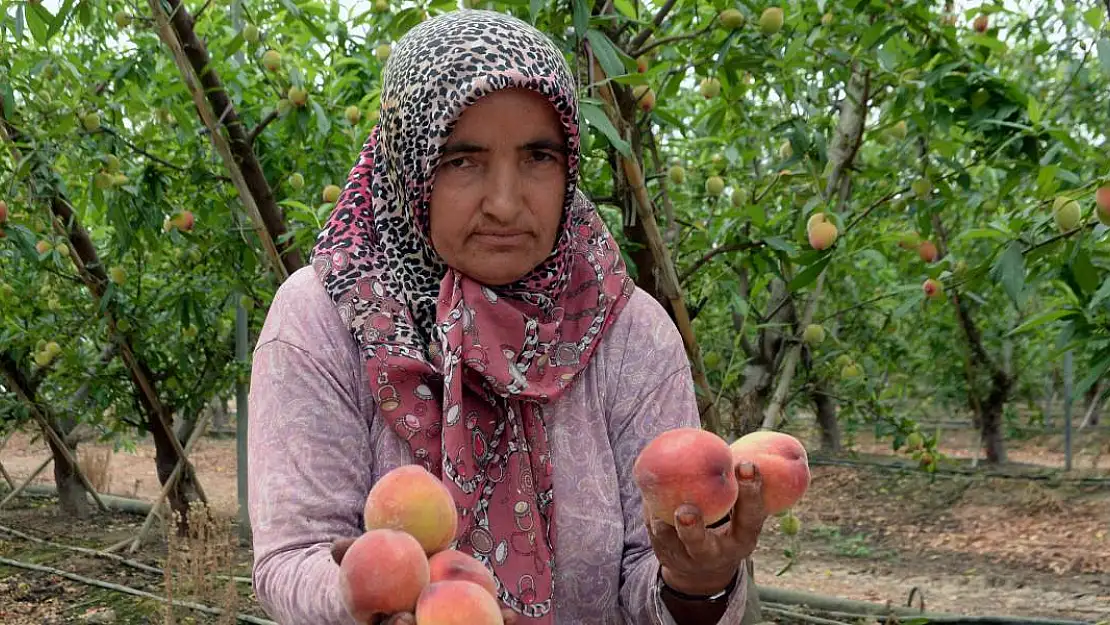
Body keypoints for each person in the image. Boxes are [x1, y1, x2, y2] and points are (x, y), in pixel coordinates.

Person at [247, 9, 767, 625]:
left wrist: (695, 581)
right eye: (461, 160)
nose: (504, 201)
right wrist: (367, 595)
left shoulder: (627, 333)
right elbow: (291, 559)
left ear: (569, 165)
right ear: (407, 166)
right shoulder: (327, 318)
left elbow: (647, 580)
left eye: (538, 157)